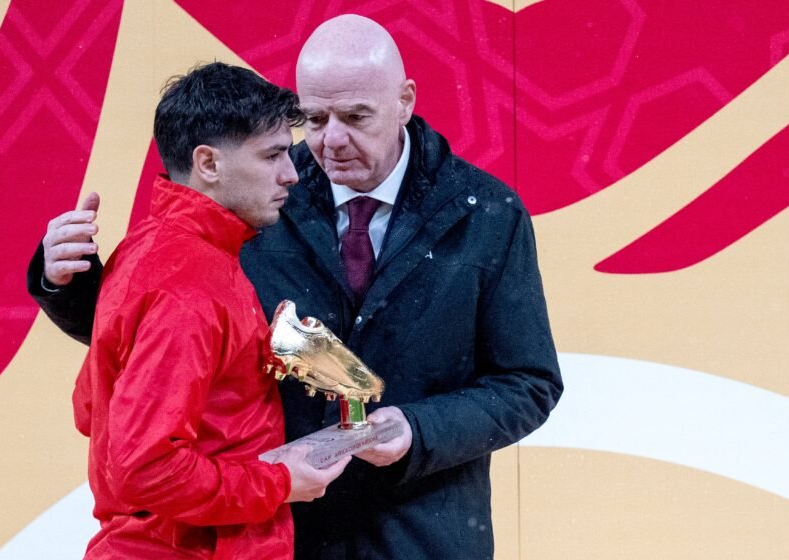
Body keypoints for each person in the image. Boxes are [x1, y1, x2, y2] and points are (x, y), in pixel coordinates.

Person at [28, 15, 563, 560]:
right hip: (274, 532)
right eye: (314, 119)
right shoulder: (248, 192)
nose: (331, 140)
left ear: (405, 101)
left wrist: (419, 430)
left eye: (356, 117)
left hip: (422, 534)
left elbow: (529, 382)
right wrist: (66, 285)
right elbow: (154, 339)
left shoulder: (488, 214)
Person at [62, 62, 349, 559]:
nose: (291, 173)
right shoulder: (191, 283)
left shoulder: (150, 249)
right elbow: (145, 468)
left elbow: (92, 409)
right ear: (208, 163)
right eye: (273, 155)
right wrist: (279, 481)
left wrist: (253, 364)